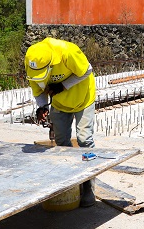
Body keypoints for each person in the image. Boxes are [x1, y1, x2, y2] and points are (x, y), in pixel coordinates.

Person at [26, 38, 97, 207]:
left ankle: (88, 186)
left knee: (84, 139)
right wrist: (42, 106)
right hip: (59, 104)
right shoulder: (32, 62)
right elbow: (38, 89)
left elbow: (87, 70)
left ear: (51, 63)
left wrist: (63, 85)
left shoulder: (67, 51)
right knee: (62, 142)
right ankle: (71, 180)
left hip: (83, 98)